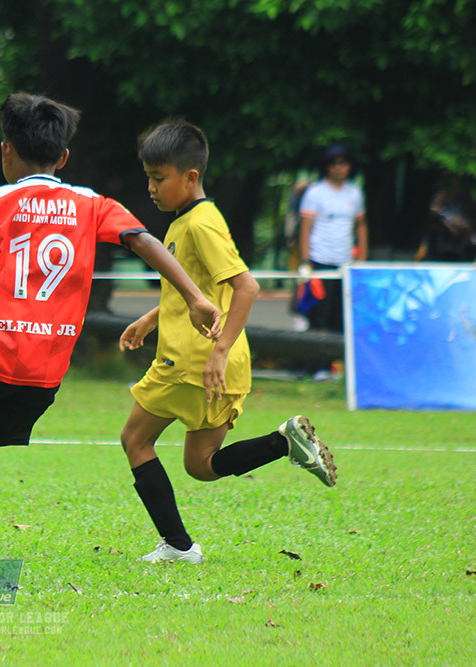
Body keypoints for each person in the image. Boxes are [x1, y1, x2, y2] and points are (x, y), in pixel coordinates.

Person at [0, 93, 223, 574]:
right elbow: (144, 240)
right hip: (45, 372)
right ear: (64, 158)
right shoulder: (92, 204)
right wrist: (195, 295)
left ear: (5, 151)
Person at [118, 119, 337, 565]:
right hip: (222, 365)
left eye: (159, 178)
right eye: (148, 178)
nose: (152, 188)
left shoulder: (199, 224)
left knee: (135, 441)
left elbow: (247, 287)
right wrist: (150, 317)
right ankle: (283, 441)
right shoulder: (191, 221)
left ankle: (179, 547)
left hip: (193, 361)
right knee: (201, 464)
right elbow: (201, 291)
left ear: (190, 177)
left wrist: (216, 353)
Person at [297, 143, 368, 331]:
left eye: (343, 163)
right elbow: (305, 229)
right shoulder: (315, 193)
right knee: (319, 316)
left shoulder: (355, 193)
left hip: (345, 263)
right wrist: (305, 261)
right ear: (326, 167)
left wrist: (361, 258)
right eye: (333, 163)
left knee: (341, 316)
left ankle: (337, 360)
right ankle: (315, 361)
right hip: (319, 261)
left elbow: (361, 225)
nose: (338, 167)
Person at [414, 181, 476, 263]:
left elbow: (463, 228)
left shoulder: (456, 208)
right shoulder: (436, 210)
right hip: (436, 254)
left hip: (458, 253)